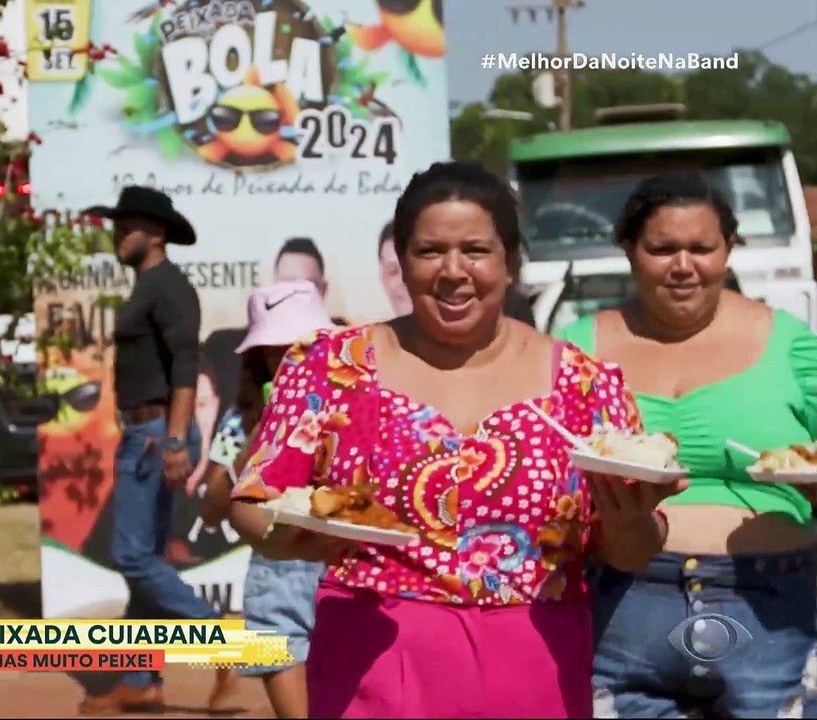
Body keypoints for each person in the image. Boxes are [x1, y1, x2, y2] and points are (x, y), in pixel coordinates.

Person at [228, 160, 686, 717]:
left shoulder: (584, 384)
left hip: (535, 667)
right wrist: (286, 539)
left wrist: (630, 518)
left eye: (475, 250)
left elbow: (631, 551)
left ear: (510, 261)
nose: (452, 271)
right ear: (400, 260)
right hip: (372, 662)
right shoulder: (330, 368)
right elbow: (254, 498)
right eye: (428, 251)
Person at [555, 171, 817, 718]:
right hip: (621, 607)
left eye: (702, 247)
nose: (683, 266)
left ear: (727, 251)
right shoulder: (576, 350)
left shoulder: (791, 343)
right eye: (663, 248)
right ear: (630, 250)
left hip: (774, 607)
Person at [79, 186, 234, 714]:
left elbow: (185, 365)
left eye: (129, 226)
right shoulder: (148, 286)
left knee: (130, 555)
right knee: (143, 557)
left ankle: (219, 640)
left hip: (156, 435)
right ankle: (141, 682)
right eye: (116, 226)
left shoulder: (169, 286)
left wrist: (174, 439)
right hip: (147, 433)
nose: (119, 234)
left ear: (158, 233)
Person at [200, 280, 333, 718]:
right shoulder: (242, 420)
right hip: (275, 571)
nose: (288, 358)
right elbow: (212, 509)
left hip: (346, 565)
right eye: (275, 349)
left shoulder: (359, 402)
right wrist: (249, 454)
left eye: (299, 344)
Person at [380, 220, 536, 325]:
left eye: (475, 251)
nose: (403, 279)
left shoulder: (510, 308)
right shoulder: (373, 347)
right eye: (393, 271)